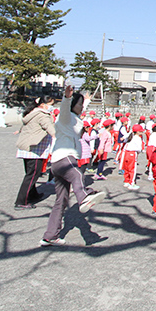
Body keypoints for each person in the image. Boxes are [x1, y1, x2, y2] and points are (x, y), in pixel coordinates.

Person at [41, 86, 105, 246]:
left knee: (60, 202)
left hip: (58, 162)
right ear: (72, 105)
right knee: (77, 175)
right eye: (80, 104)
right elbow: (65, 110)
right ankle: (84, 197)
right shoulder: (65, 116)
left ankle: (50, 236)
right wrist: (67, 97)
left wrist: (87, 100)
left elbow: (79, 112)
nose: (82, 107)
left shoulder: (75, 118)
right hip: (65, 157)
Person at [14, 95, 56, 209]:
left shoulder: (32, 113)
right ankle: (21, 201)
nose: (51, 107)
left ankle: (33, 195)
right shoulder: (42, 115)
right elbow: (50, 128)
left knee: (30, 174)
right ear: (43, 105)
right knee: (32, 175)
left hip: (27, 148)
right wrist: (58, 136)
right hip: (35, 149)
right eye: (50, 105)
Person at [122, 124, 144, 190]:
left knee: (126, 168)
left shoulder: (131, 136)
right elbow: (139, 148)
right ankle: (132, 183)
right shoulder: (138, 138)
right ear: (138, 132)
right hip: (133, 153)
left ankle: (126, 181)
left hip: (126, 153)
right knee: (132, 169)